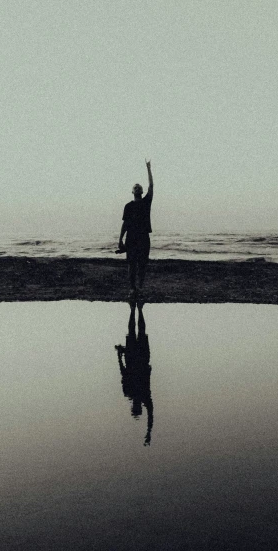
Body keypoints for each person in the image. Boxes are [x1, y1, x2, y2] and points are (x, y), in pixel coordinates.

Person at [115, 299, 154, 446]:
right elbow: (151, 416)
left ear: (133, 406)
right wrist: (149, 432)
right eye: (137, 408)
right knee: (138, 331)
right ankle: (138, 309)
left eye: (135, 407)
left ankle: (135, 309)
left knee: (134, 331)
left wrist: (119, 357)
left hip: (134, 359)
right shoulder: (143, 396)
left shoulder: (134, 394)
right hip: (140, 360)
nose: (136, 406)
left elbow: (123, 373)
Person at [118, 159, 153, 292]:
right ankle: (133, 289)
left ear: (142, 191)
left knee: (142, 264)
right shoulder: (128, 206)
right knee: (132, 265)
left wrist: (148, 168)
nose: (137, 187)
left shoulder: (146, 202)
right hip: (131, 238)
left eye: (139, 187)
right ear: (132, 191)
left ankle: (140, 287)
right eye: (135, 187)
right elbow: (125, 224)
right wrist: (120, 239)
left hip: (144, 237)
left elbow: (151, 185)